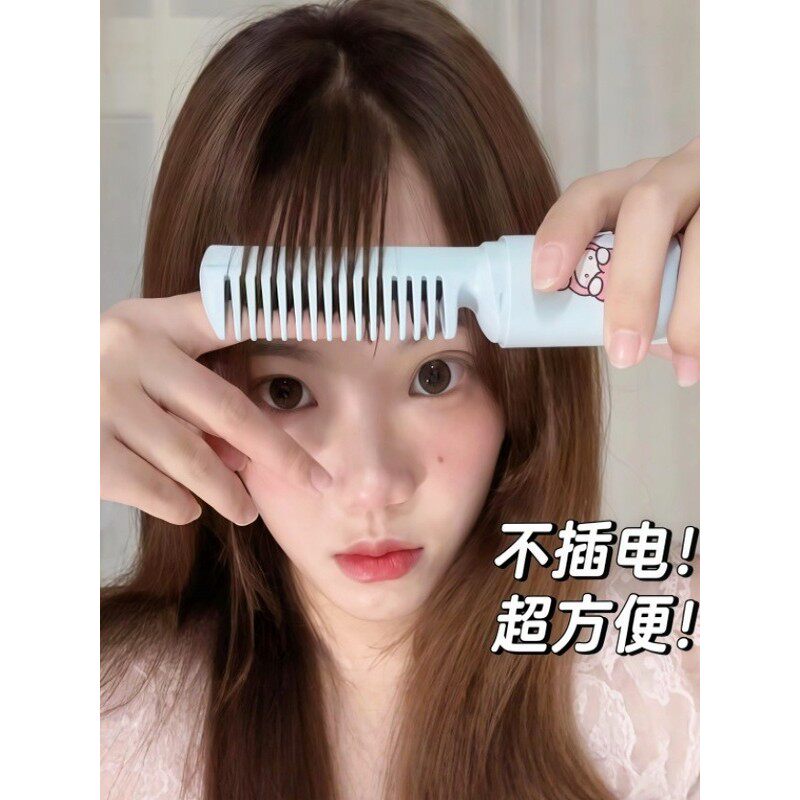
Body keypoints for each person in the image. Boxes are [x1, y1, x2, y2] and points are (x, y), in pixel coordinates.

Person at [100, 1, 699, 798]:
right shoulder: (102, 722)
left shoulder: (680, 680)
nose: (374, 484)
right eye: (286, 390)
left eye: (434, 375)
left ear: (521, 382)